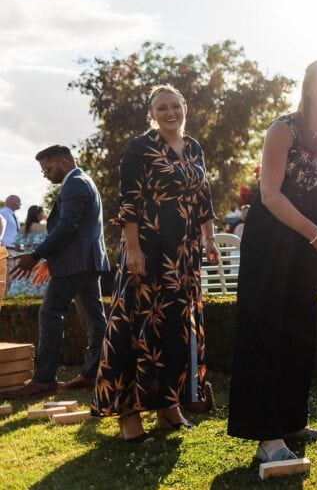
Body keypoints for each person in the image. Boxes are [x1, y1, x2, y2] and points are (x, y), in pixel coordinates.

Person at [228, 59, 317, 464]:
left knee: (300, 328)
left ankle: (292, 420)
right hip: (272, 236)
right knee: (264, 331)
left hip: (309, 239)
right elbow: (269, 195)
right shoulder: (284, 129)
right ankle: (266, 436)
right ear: (309, 88)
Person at [91, 85, 219, 442]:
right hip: (148, 248)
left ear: (185, 108)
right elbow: (129, 202)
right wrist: (132, 249)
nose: (169, 113)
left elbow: (203, 198)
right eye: (161, 108)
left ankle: (169, 407)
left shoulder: (194, 147)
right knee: (136, 325)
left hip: (184, 253)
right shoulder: (138, 148)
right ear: (151, 113)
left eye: (174, 106)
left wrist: (209, 240)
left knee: (178, 327)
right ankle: (128, 415)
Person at [0, 146, 109, 400]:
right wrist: (48, 260)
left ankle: (44, 379)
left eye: (48, 169)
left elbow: (67, 226)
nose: (46, 175)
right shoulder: (82, 181)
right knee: (95, 318)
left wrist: (37, 255)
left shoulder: (75, 184)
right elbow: (76, 227)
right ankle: (94, 372)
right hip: (86, 262)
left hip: (76, 263)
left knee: (50, 313)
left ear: (63, 161)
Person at [8, 206, 50, 297]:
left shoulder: (23, 228)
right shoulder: (45, 227)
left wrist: (27, 250)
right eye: (43, 212)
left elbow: (17, 247)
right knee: (40, 282)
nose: (44, 214)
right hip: (40, 259)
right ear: (38, 214)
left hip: (26, 260)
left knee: (23, 280)